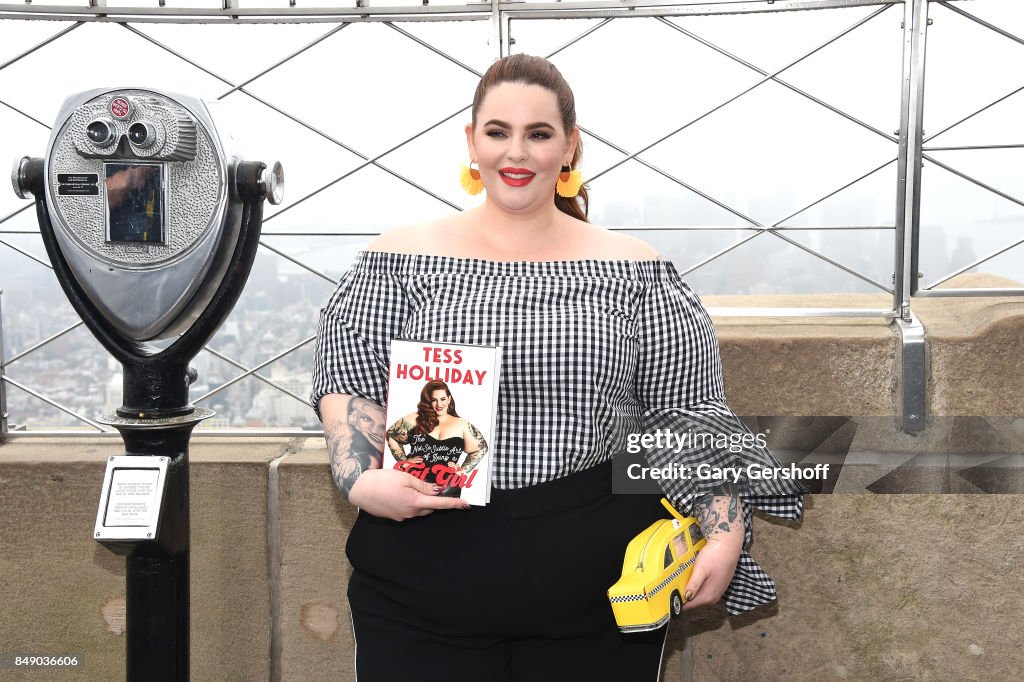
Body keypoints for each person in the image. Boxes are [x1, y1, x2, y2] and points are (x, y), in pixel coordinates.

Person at [311, 53, 803, 682]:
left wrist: (725, 527)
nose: (516, 153)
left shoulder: (635, 269)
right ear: (471, 141)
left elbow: (686, 410)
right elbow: (348, 379)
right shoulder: (399, 257)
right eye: (498, 132)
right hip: (421, 576)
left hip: (596, 588)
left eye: (538, 134)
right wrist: (359, 479)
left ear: (569, 147)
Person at [385, 380, 489, 498]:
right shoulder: (416, 418)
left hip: (447, 488)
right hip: (413, 482)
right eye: (434, 400)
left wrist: (462, 471)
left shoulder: (462, 424)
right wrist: (404, 462)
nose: (439, 404)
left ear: (449, 399)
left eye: (443, 399)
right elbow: (391, 435)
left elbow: (481, 448)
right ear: (428, 401)